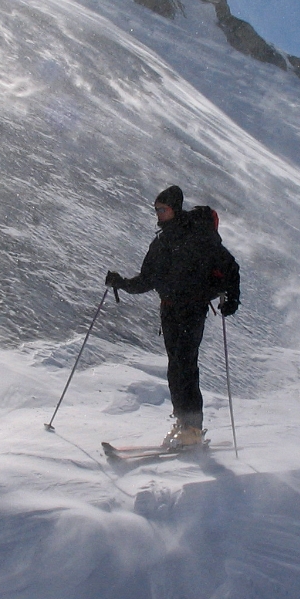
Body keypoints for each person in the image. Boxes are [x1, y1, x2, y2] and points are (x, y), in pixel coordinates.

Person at [106, 185, 240, 448]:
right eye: (156, 209)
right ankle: (184, 422)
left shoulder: (199, 236)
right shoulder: (162, 241)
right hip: (169, 309)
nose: (158, 214)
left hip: (192, 308)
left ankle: (193, 429)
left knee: (185, 364)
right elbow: (147, 280)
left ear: (175, 209)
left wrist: (233, 298)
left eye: (162, 209)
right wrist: (120, 283)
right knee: (176, 366)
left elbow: (229, 266)